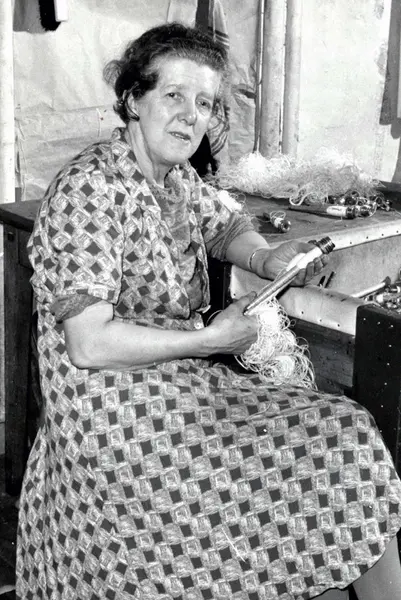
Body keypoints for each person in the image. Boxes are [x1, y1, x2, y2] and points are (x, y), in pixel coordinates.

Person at [16, 22, 401, 600]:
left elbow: (225, 226)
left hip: (176, 381)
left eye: (203, 103)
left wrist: (267, 258)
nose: (189, 116)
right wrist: (210, 341)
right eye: (173, 95)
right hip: (109, 407)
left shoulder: (174, 179)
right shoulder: (90, 190)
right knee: (326, 450)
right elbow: (89, 345)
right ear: (133, 99)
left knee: (345, 435)